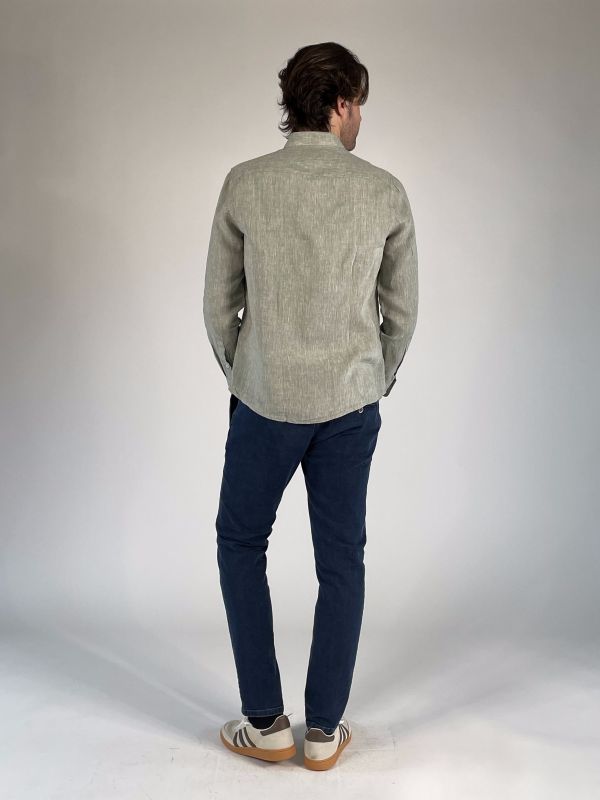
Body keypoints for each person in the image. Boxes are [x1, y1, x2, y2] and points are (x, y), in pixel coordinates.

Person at [203, 41, 418, 770]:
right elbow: (402, 310)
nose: (361, 121)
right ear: (342, 103)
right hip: (349, 407)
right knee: (342, 560)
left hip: (264, 402)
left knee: (240, 543)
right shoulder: (383, 191)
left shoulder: (245, 182)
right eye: (360, 107)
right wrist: (373, 378)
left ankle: (265, 723)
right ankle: (323, 732)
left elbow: (219, 303)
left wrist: (247, 373)